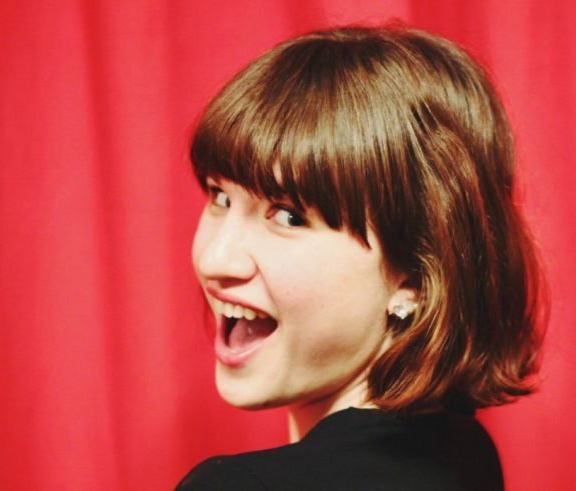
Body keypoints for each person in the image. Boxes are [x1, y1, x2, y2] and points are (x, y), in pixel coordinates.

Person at [177, 25, 545, 490]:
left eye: (289, 217)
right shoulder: (465, 449)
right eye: (220, 196)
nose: (215, 258)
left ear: (414, 275)